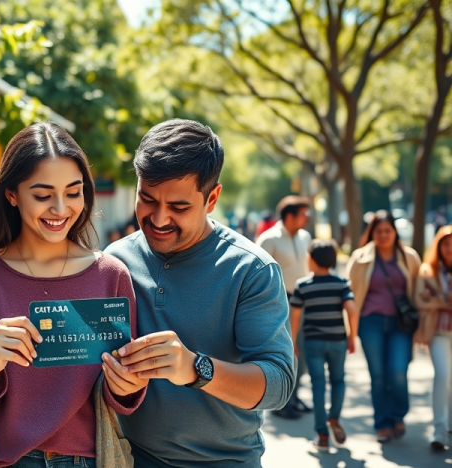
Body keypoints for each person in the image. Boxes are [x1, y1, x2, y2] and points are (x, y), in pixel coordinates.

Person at [0, 122, 146, 468]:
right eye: (43, 195)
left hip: (90, 460)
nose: (60, 209)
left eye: (73, 192)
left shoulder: (111, 275)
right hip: (8, 461)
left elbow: (124, 395)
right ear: (12, 195)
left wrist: (128, 384)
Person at [105, 119, 294, 466]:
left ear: (212, 199)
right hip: (131, 457)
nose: (159, 219)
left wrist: (195, 368)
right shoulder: (114, 261)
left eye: (179, 207)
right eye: (146, 199)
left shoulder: (251, 270)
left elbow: (278, 384)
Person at [346, 210, 421, 444]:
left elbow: (419, 289)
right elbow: (348, 294)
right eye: (378, 231)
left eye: (388, 230)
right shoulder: (360, 258)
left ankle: (398, 414)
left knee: (397, 371)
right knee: (377, 376)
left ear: (395, 232)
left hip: (401, 324)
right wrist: (349, 330)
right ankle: (382, 423)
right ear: (372, 233)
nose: (383, 235)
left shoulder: (409, 257)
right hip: (371, 323)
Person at [289, 239, 359, 451]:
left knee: (317, 385)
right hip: (337, 341)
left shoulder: (303, 285)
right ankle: (334, 418)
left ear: (310, 259)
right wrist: (352, 336)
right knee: (338, 380)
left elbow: (295, 316)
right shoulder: (341, 283)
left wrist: (293, 340)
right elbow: (352, 310)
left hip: (313, 342)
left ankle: (322, 435)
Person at [256, 195, 312, 419]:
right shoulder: (269, 239)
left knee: (303, 352)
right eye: (303, 214)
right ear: (289, 216)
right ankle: (282, 404)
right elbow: (258, 274)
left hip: (305, 301)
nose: (306, 218)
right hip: (282, 303)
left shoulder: (305, 237)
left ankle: (294, 397)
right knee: (288, 352)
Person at [414, 225, 452, 451]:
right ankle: (439, 429)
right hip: (437, 332)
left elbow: (432, 299)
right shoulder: (428, 271)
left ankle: (450, 426)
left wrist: (438, 299)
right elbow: (420, 300)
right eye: (446, 244)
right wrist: (443, 301)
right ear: (439, 246)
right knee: (442, 375)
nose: (450, 248)